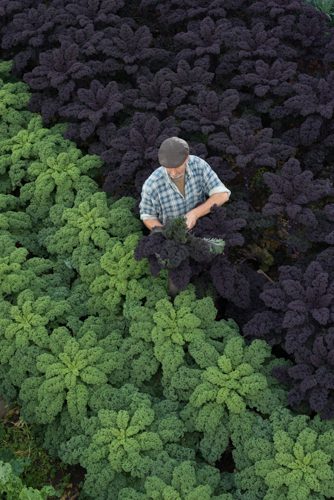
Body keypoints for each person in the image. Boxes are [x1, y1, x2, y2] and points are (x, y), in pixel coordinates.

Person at [139, 136, 231, 231]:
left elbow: (222, 195)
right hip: (171, 235)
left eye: (177, 166)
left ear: (187, 158)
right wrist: (166, 234)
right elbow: (148, 216)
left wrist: (195, 214)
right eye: (169, 167)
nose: (173, 173)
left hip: (202, 226)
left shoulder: (198, 165)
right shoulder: (152, 185)